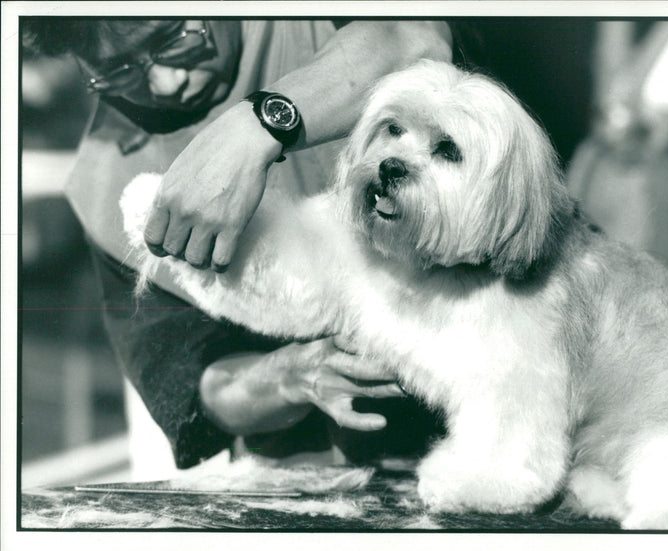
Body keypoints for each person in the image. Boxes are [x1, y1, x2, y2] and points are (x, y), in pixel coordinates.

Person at [22, 19, 454, 468]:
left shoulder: (312, 19)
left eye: (175, 39)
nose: (167, 82)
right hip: (321, 476)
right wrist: (292, 375)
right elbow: (197, 387)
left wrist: (256, 127)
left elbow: (417, 38)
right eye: (118, 70)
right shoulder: (102, 184)